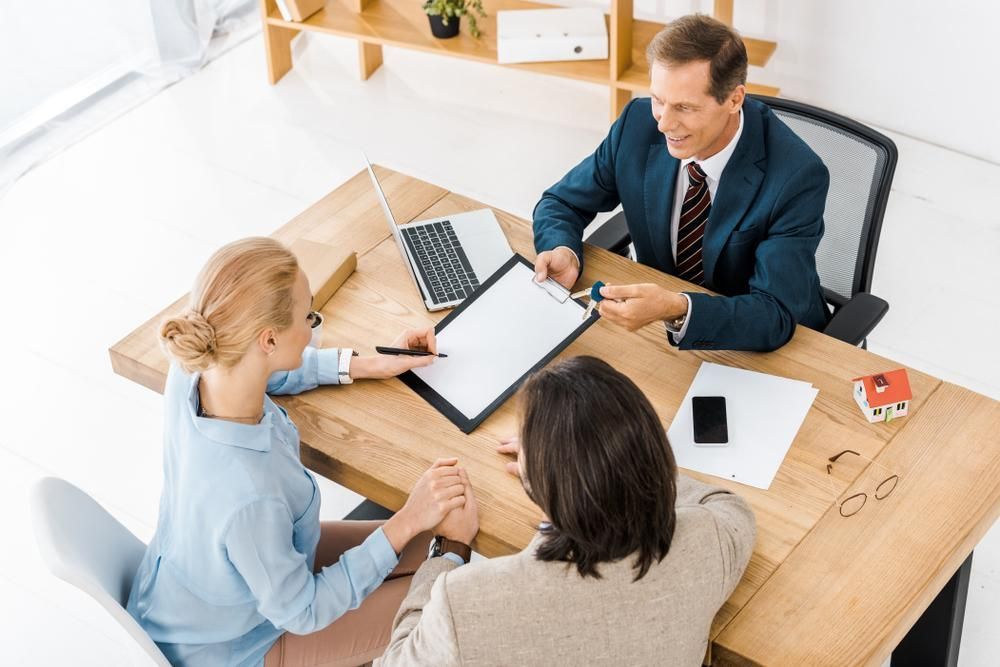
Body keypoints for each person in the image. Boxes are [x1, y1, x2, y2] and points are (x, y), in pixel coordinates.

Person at [126, 236, 476, 667]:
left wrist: (368, 363)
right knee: (452, 598)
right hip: (241, 642)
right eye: (308, 316)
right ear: (269, 340)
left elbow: (263, 371)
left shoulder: (195, 371)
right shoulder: (247, 493)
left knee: (427, 543)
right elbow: (303, 610)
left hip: (215, 584)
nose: (313, 327)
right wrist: (420, 527)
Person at [376, 356, 756, 666]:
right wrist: (614, 458)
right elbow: (728, 506)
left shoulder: (465, 602)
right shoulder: (709, 540)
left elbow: (395, 660)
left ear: (537, 480)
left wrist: (450, 549)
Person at [533, 14, 831, 352]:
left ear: (734, 99)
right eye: (659, 100)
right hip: (658, 332)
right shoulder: (636, 124)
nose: (664, 124)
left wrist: (677, 308)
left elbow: (773, 314)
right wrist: (563, 249)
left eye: (684, 107)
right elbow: (562, 202)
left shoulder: (797, 177)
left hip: (763, 344)